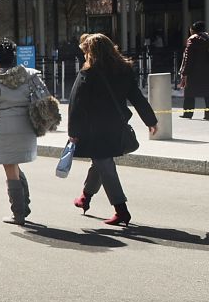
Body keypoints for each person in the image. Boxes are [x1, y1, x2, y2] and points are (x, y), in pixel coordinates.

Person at [68, 33, 159, 227]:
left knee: (104, 164)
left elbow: (75, 105)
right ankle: (85, 197)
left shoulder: (88, 73)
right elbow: (137, 97)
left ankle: (121, 210)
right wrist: (150, 120)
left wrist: (73, 133)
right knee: (102, 162)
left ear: (90, 52)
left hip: (94, 130)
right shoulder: (123, 70)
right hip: (116, 127)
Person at [0, 40, 44, 226]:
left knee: (10, 171)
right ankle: (24, 204)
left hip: (5, 130)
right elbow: (45, 98)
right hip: (28, 128)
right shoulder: (29, 75)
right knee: (15, 167)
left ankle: (18, 214)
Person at [180, 21, 209, 119]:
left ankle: (188, 113)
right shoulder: (207, 38)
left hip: (193, 72)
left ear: (193, 30)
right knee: (207, 93)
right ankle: (208, 114)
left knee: (189, 93)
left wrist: (184, 72)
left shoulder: (192, 40)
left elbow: (188, 58)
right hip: (206, 71)